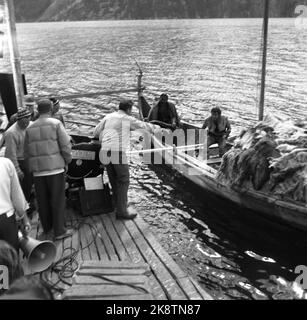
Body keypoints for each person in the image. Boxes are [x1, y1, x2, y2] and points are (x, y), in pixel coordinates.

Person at [94, 99, 158, 219]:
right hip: (116, 151)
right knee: (124, 180)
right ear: (128, 109)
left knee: (114, 179)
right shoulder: (127, 118)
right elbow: (143, 126)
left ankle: (118, 203)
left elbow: (96, 131)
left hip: (104, 150)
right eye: (131, 109)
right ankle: (122, 211)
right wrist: (158, 128)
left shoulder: (108, 116)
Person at [24, 99, 73, 241]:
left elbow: (26, 152)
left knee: (42, 200)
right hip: (55, 169)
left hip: (38, 172)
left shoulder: (29, 127)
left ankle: (47, 227)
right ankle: (59, 231)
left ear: (37, 110)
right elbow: (65, 145)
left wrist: (32, 168)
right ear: (51, 108)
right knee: (58, 200)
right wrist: (68, 160)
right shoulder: (56, 124)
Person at [4, 108, 35, 216]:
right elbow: (10, 155)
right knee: (24, 187)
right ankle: (24, 210)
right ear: (18, 120)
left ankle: (31, 201)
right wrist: (18, 170)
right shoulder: (10, 133)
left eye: (28, 118)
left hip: (31, 158)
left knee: (32, 183)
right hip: (21, 161)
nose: (27, 122)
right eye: (24, 120)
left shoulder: (32, 125)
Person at [0, 157, 31, 252]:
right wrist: (25, 219)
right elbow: (17, 197)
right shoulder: (5, 163)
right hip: (5, 220)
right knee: (10, 260)